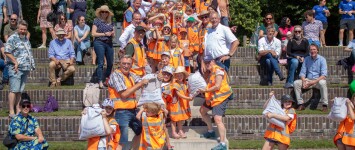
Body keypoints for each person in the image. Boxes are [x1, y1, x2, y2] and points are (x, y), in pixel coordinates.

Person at [108, 55, 149, 150]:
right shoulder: (116, 75)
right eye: (123, 63)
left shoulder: (131, 75)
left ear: (131, 65)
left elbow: (144, 81)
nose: (126, 66)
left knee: (140, 132)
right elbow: (124, 94)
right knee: (121, 140)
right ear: (119, 64)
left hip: (132, 110)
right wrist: (140, 84)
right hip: (121, 111)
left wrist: (157, 75)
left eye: (128, 64)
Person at [199, 55, 232, 150]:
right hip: (212, 98)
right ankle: (210, 131)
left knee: (217, 119)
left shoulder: (218, 70)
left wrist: (205, 91)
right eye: (205, 62)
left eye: (209, 62)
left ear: (214, 61)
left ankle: (222, 144)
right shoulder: (211, 71)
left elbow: (217, 86)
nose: (207, 64)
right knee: (202, 111)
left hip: (221, 98)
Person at [5, 20, 35, 118]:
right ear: (18, 28)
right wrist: (15, 61)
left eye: (24, 29)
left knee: (19, 90)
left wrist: (31, 65)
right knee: (14, 90)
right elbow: (7, 51)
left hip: (25, 68)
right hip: (15, 68)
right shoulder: (12, 38)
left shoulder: (26, 39)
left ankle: (18, 110)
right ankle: (11, 111)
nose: (23, 31)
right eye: (21, 29)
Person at [293, 44, 328, 112]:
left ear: (317, 50)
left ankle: (325, 105)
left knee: (323, 83)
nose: (312, 51)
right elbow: (302, 73)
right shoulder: (306, 59)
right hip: (308, 80)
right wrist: (303, 81)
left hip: (317, 80)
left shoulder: (322, 59)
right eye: (311, 50)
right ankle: (301, 104)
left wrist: (313, 82)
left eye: (314, 49)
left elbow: (324, 75)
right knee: (296, 83)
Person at [92, 5, 115, 89]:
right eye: (102, 12)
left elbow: (114, 34)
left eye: (106, 12)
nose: (104, 13)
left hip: (109, 42)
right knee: (101, 62)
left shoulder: (111, 22)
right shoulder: (96, 21)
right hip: (99, 42)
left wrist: (112, 34)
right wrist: (105, 34)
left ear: (108, 13)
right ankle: (100, 81)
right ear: (100, 13)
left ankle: (107, 80)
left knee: (110, 63)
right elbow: (93, 33)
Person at [169, 66, 192, 139]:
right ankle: (173, 132)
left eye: (181, 75)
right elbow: (179, 94)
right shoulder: (175, 84)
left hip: (182, 104)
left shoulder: (185, 84)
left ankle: (180, 130)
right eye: (177, 75)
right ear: (175, 76)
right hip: (176, 104)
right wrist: (188, 98)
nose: (179, 77)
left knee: (180, 118)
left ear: (184, 75)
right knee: (174, 119)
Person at [333, 81, 355, 149]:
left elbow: (353, 117)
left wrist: (348, 104)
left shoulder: (349, 106)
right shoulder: (350, 106)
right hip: (341, 135)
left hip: (351, 138)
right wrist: (337, 101)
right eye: (354, 99)